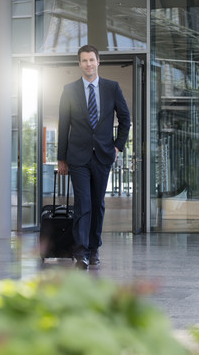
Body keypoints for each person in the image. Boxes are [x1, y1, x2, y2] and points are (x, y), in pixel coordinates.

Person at [57, 44, 130, 269]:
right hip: (77, 157)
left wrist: (118, 146)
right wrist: (61, 158)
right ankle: (81, 253)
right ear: (79, 64)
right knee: (83, 203)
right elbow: (64, 125)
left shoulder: (112, 88)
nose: (88, 64)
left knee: (97, 204)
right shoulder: (69, 90)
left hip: (103, 156)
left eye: (92, 60)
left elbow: (125, 119)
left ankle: (94, 248)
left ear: (98, 62)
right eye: (84, 60)